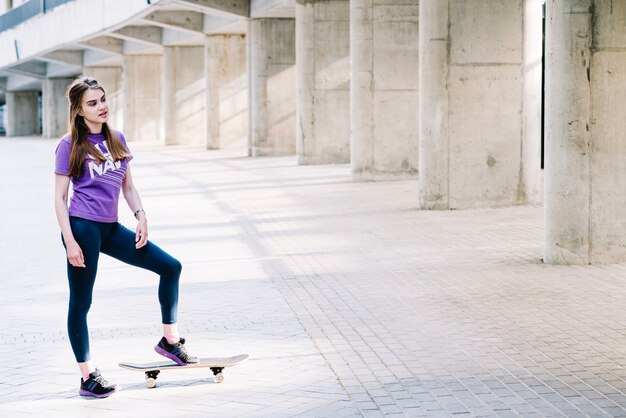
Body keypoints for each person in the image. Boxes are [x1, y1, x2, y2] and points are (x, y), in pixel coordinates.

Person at [54, 76, 199, 398]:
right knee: (82, 302)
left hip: (110, 226)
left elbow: (128, 187)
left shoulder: (117, 139)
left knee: (170, 267)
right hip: (82, 228)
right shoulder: (69, 145)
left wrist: (141, 216)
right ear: (78, 111)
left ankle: (170, 341)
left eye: (103, 99)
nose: (102, 106)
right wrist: (70, 241)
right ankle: (87, 376)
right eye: (92, 103)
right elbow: (59, 198)